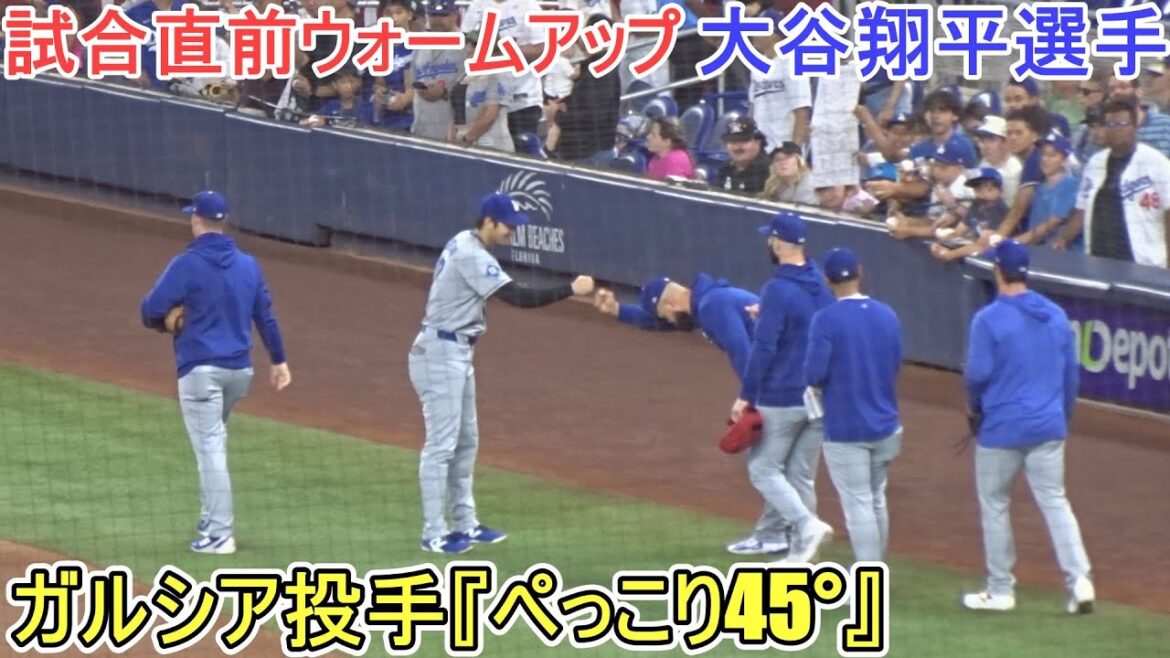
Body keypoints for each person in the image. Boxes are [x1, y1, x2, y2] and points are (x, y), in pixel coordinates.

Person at [409, 192, 595, 554]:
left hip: (455, 351)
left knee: (466, 442)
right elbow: (519, 298)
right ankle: (433, 532)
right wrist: (571, 289)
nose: (513, 231)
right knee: (441, 446)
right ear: (488, 222)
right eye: (508, 225)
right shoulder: (471, 254)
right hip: (439, 353)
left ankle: (465, 523)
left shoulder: (465, 240)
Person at [139, 190, 292, 556]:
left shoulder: (186, 265)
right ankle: (210, 520)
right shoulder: (248, 265)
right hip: (239, 372)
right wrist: (279, 360)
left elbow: (149, 309)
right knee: (214, 442)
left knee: (209, 448)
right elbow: (265, 316)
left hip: (201, 371)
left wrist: (168, 320)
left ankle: (221, 534)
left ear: (196, 220)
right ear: (224, 223)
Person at [962, 240, 1095, 614]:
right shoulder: (1055, 314)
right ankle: (1080, 580)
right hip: (1048, 425)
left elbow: (976, 375)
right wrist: (1061, 417)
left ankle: (1000, 590)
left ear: (998, 271)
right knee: (1055, 502)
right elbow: (1071, 376)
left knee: (994, 503)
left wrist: (973, 410)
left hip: (1002, 428)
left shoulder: (988, 319)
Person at [731, 211, 837, 564]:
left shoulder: (777, 289)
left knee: (762, 469)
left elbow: (764, 347)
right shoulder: (821, 283)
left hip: (781, 396)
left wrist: (746, 395)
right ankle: (800, 553)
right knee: (800, 476)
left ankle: (806, 526)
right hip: (818, 396)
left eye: (770, 238)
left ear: (778, 243)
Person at [803, 248, 903, 563]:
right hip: (886, 424)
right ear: (860, 272)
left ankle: (867, 577)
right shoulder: (887, 314)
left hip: (846, 427)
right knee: (876, 499)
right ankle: (875, 571)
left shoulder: (825, 320)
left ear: (827, 280)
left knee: (859, 503)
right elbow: (895, 362)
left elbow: (814, 374)